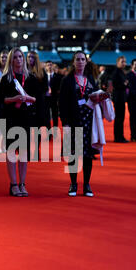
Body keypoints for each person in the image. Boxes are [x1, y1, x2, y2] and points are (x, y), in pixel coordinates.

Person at [0, 47, 38, 197]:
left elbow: (37, 99)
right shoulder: (6, 78)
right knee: (12, 151)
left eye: (20, 57)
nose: (18, 59)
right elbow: (0, 99)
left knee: (24, 152)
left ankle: (22, 183)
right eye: (15, 57)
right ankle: (13, 184)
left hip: (25, 117)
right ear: (11, 60)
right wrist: (14, 99)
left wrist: (27, 98)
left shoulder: (30, 77)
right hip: (10, 117)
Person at [59, 51, 100, 197]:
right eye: (78, 59)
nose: (80, 62)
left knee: (88, 155)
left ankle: (87, 184)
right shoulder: (68, 80)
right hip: (74, 121)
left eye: (83, 59)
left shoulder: (91, 79)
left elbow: (96, 97)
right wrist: (65, 122)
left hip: (89, 121)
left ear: (86, 62)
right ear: (73, 62)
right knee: (74, 154)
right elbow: (62, 103)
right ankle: (73, 183)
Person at [111, 56, 129, 143]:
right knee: (119, 118)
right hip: (118, 98)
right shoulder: (116, 73)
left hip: (121, 98)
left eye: (125, 62)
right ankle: (118, 137)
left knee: (121, 118)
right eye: (122, 62)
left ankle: (120, 136)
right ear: (117, 62)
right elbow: (115, 85)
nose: (124, 63)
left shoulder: (121, 72)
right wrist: (124, 84)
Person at [44, 60, 63, 132]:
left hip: (54, 98)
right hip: (46, 98)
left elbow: (60, 88)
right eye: (48, 65)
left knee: (55, 116)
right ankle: (49, 131)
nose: (49, 66)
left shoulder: (58, 76)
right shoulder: (43, 77)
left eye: (50, 65)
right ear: (45, 67)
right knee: (47, 116)